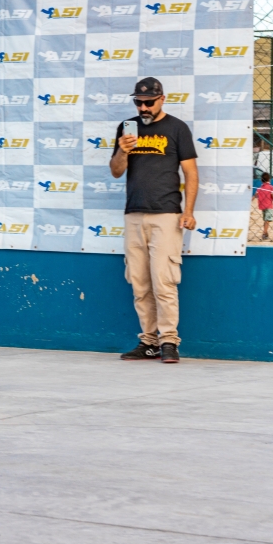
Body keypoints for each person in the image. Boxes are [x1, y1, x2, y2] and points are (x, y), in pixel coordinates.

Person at [110, 77, 199, 364]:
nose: (144, 107)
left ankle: (169, 341)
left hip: (167, 214)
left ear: (162, 99)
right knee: (139, 282)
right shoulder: (126, 128)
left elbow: (191, 173)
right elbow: (115, 171)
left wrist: (188, 211)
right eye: (139, 102)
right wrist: (123, 150)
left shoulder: (177, 128)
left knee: (164, 281)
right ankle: (148, 341)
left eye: (149, 102)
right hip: (134, 213)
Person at [254, 172, 273, 241]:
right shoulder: (271, 187)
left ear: (261, 180)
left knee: (266, 220)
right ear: (269, 179)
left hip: (262, 206)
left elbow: (255, 195)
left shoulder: (260, 188)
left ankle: (266, 233)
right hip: (269, 206)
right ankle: (264, 233)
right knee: (267, 220)